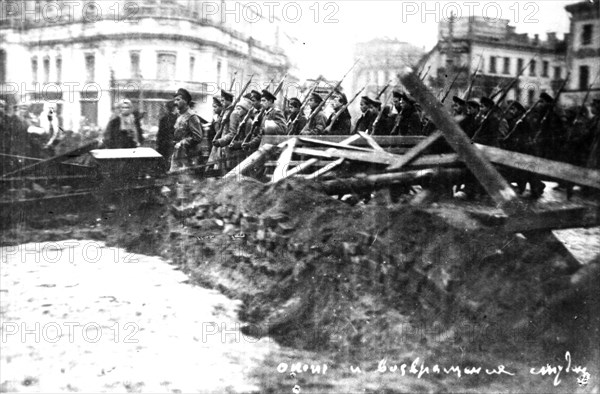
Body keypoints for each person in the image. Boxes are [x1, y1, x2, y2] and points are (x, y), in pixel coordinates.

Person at [170, 88, 203, 171]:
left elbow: (197, 137)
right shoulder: (180, 115)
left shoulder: (192, 117)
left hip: (187, 157)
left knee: (185, 180)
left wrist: (182, 143)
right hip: (178, 154)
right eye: (175, 100)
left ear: (185, 100)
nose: (175, 103)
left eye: (178, 100)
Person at [156, 100, 178, 168]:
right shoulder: (177, 119)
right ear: (175, 108)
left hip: (163, 144)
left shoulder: (163, 119)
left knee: (164, 160)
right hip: (172, 144)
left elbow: (160, 133)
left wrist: (158, 143)